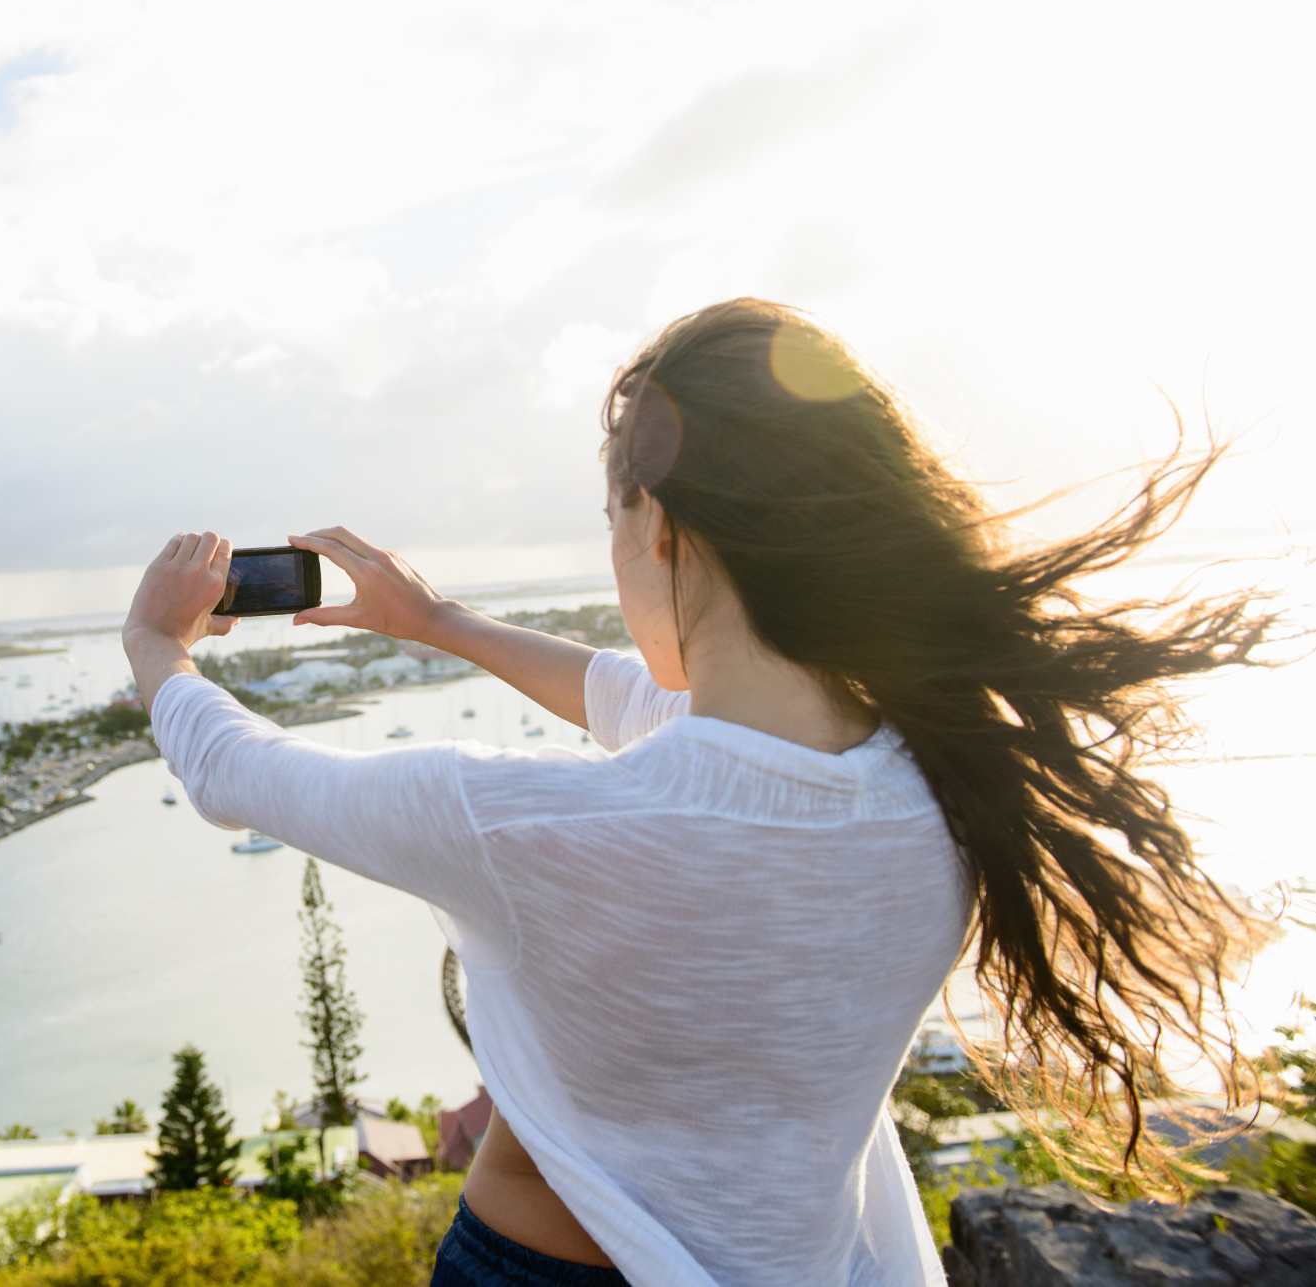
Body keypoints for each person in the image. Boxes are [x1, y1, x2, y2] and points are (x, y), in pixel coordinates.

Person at [122, 298, 1286, 1285]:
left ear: (662, 529)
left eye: (613, 517)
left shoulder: (521, 825)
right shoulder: (938, 774)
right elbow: (651, 708)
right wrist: (438, 623)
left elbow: (235, 769)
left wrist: (157, 645)